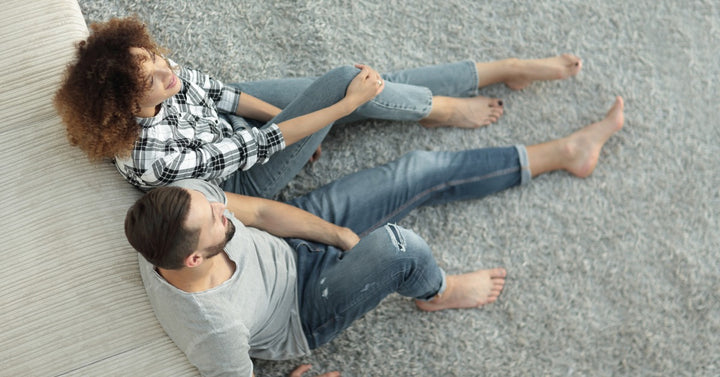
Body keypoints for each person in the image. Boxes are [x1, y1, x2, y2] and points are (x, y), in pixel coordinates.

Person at [124, 96, 624, 377]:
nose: (219, 206)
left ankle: (564, 152)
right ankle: (440, 290)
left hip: (295, 243)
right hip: (304, 307)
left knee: (416, 171)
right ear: (193, 260)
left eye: (212, 203)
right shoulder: (214, 328)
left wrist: (337, 233)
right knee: (400, 246)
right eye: (215, 219)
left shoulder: (183, 203)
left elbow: (254, 210)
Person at [54, 16, 582, 197]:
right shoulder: (152, 159)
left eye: (154, 56)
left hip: (232, 131)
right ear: (125, 105)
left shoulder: (162, 79)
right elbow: (264, 146)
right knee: (351, 83)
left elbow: (227, 96)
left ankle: (495, 69)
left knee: (367, 87)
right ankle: (440, 107)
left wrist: (293, 111)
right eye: (152, 76)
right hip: (243, 176)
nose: (167, 69)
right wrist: (330, 111)